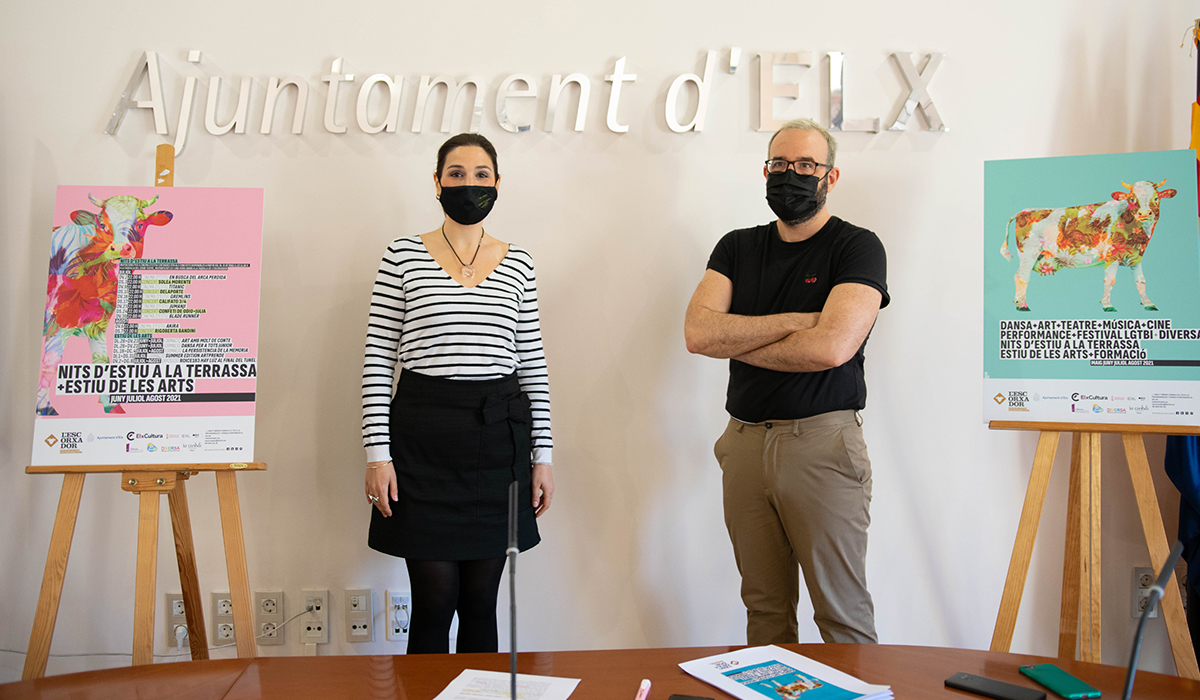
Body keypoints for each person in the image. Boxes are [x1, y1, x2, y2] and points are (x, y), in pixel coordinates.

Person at [683, 118, 888, 645]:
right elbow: (699, 333)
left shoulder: (857, 247)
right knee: (765, 612)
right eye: (779, 164)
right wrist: (798, 321)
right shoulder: (736, 247)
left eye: (805, 165)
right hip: (745, 445)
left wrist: (738, 338)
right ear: (765, 171)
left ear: (830, 176)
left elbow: (831, 348)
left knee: (842, 616)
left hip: (822, 445)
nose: (790, 175)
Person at [361, 132, 554, 654]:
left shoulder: (519, 262)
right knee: (433, 602)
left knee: (480, 603)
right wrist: (377, 455)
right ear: (437, 182)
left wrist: (543, 457)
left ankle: (481, 692)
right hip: (421, 442)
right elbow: (378, 360)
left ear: (497, 183)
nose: (469, 184)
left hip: (498, 445)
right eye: (457, 174)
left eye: (481, 174)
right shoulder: (402, 256)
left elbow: (532, 366)